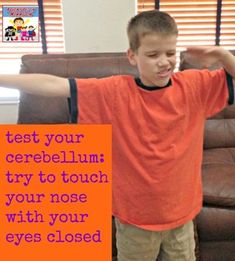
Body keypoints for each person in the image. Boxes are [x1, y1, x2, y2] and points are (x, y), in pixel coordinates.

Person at [1, 10, 235, 261]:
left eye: (170, 53)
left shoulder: (194, 87)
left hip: (181, 219)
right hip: (134, 221)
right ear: (132, 56)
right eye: (153, 55)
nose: (164, 62)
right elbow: (55, 85)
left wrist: (223, 54)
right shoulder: (114, 92)